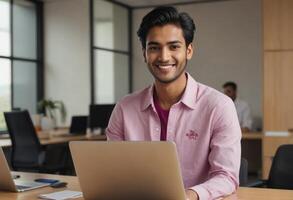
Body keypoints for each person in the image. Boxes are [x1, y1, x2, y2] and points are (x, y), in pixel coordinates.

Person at [106, 6, 241, 200]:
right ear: (144, 53)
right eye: (154, 48)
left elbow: (226, 176)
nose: (163, 57)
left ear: (189, 50)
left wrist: (189, 195)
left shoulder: (219, 106)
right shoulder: (124, 108)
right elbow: (111, 170)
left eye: (174, 46)